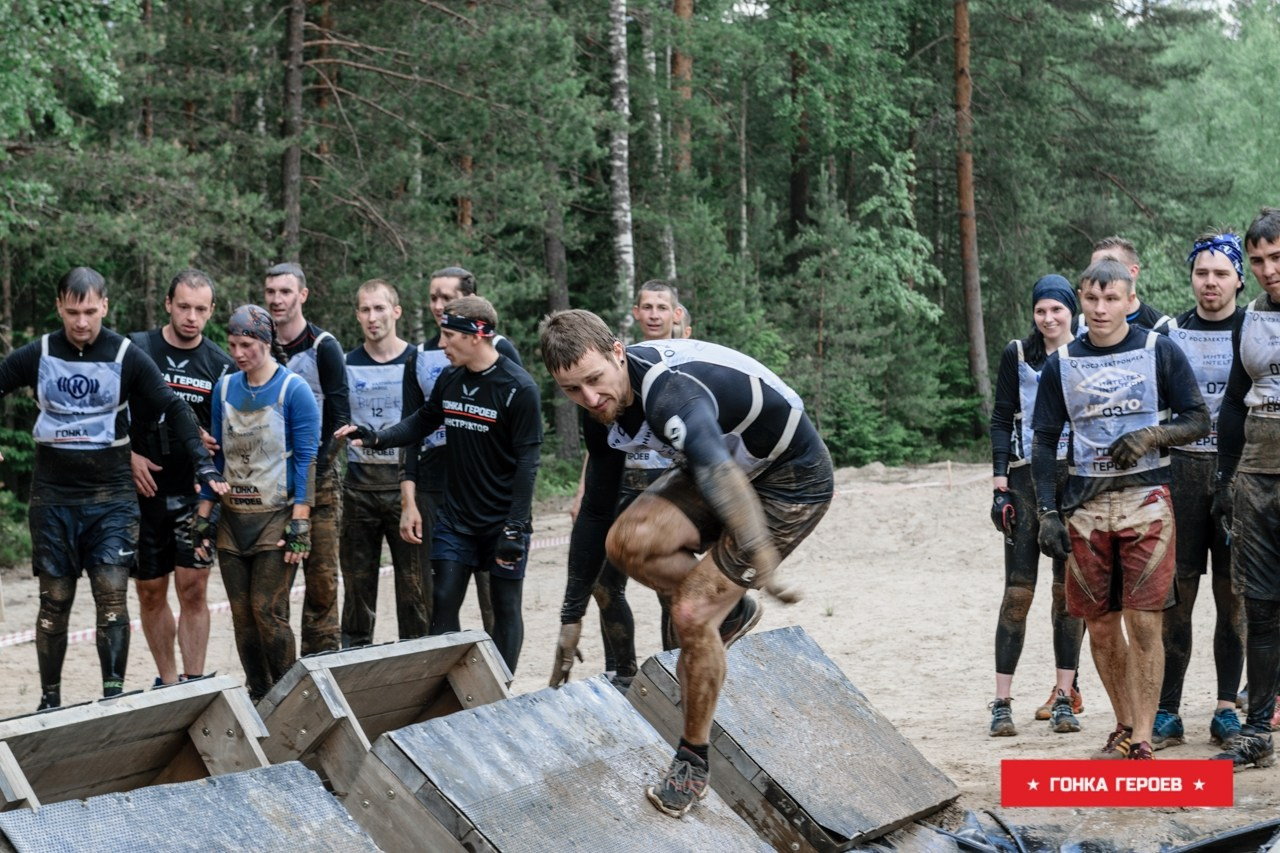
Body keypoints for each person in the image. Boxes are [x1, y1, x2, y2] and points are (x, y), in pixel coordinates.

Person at [539, 309, 833, 818]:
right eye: (571, 390)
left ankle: (692, 762)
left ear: (617, 353)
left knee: (692, 614)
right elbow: (594, 512)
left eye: (594, 381)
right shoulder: (602, 412)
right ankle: (733, 612)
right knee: (625, 541)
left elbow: (717, 468)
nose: (589, 399)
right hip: (723, 469)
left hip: (788, 481)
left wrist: (762, 558)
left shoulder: (669, 391)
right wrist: (571, 615)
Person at [0, 267, 227, 710]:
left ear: (104, 305)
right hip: (54, 493)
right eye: (72, 312)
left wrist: (203, 464)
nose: (81, 322)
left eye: (89, 311)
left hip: (112, 495)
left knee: (111, 596)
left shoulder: (124, 353)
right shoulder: (41, 352)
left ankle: (113, 697)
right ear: (59, 308)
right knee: (55, 600)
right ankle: (48, 702)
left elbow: (172, 407)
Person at [1032, 258, 1209, 762]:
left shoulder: (1158, 350)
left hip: (1146, 502)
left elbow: (1197, 419)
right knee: (1102, 625)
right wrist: (1047, 511)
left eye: (1112, 299)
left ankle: (1146, 738)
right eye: (1092, 299)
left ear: (1131, 300)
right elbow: (1043, 440)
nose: (1101, 308)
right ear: (1080, 302)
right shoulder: (1062, 363)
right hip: (1085, 509)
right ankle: (1124, 724)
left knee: (1145, 623)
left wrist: (1154, 433)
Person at [342, 295, 541, 673]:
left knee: (504, 608)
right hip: (456, 520)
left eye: (449, 336)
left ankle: (499, 692)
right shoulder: (451, 379)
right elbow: (421, 421)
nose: (443, 344)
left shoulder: (518, 388)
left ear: (477, 335)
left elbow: (528, 464)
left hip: (502, 521)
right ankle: (445, 689)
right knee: (444, 599)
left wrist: (515, 526)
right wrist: (376, 438)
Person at [193, 304, 320, 701]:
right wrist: (202, 517)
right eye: (232, 344)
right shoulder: (225, 388)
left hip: (276, 516)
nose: (238, 353)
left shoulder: (293, 389)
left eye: (246, 344)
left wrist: (301, 521)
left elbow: (307, 459)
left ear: (265, 342)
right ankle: (258, 693)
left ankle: (287, 696)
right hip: (234, 517)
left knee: (268, 613)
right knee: (242, 617)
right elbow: (216, 458)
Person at [1150, 231, 1246, 751]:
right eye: (1201, 273)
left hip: (1235, 477)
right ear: (1191, 277)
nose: (1210, 283)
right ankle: (1167, 711)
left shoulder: (1253, 329)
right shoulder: (1169, 333)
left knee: (1232, 602)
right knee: (1176, 601)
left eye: (1220, 273)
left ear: (1238, 278)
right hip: (1180, 476)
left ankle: (1227, 708)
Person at [399, 267, 522, 639]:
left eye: (446, 298)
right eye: (433, 298)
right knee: (437, 594)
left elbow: (519, 432)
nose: (438, 306)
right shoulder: (419, 356)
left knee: (494, 598)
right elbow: (413, 429)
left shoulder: (501, 351)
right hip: (436, 487)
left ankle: (499, 680)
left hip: (487, 488)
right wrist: (409, 499)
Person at [986, 275, 1085, 737]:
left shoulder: (1086, 350)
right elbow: (1002, 417)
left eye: (1056, 311)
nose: (1048, 319)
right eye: (1041, 311)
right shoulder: (1019, 354)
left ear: (1071, 312)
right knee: (1017, 595)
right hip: (1026, 477)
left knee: (1067, 597)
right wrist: (999, 485)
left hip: (1075, 478)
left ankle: (1065, 696)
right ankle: (1002, 701)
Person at [128, 269, 235, 686]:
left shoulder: (220, 364)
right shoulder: (136, 349)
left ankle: (192, 680)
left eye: (200, 309)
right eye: (184, 306)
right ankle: (168, 682)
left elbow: (229, 433)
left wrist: (214, 445)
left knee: (193, 590)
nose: (191, 316)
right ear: (169, 304)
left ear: (210, 312)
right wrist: (129, 453)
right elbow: (111, 409)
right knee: (151, 591)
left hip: (194, 494)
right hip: (144, 490)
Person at [1211, 206, 1280, 770]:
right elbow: (1234, 401)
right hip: (1256, 475)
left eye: (1277, 257)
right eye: (1258, 260)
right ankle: (1257, 730)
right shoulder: (1254, 317)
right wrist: (1222, 478)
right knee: (1259, 606)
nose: (1266, 269)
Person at [265, 262, 349, 654]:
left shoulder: (323, 346)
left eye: (285, 291)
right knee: (272, 582)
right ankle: (276, 670)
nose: (278, 299)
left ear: (302, 295)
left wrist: (314, 470)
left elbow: (341, 416)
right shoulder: (259, 342)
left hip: (319, 474)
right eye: (272, 292)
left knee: (322, 581)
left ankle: (321, 663)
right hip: (269, 478)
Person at [340, 279, 428, 647]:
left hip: (406, 488)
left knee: (415, 589)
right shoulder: (346, 364)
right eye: (365, 309)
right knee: (357, 588)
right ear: (357, 315)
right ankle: (355, 662)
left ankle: (417, 661)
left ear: (396, 311)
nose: (372, 317)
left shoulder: (417, 360)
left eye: (379, 308)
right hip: (358, 488)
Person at [1087, 236, 1177, 334]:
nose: (1099, 274)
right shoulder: (1080, 324)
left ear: (1133, 271)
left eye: (1110, 266)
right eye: (1094, 269)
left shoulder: (1162, 327)